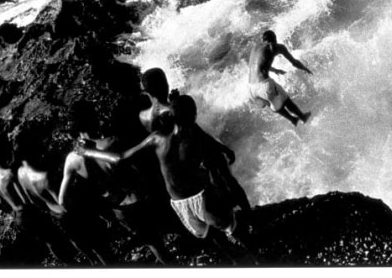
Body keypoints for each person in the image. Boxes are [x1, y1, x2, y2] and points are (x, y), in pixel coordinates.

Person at [78, 95, 253, 262]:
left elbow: (119, 157)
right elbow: (210, 153)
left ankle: (235, 258)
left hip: (179, 202)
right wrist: (224, 150)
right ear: (193, 115)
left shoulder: (157, 138)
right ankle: (255, 257)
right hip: (201, 196)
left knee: (212, 235)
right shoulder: (194, 135)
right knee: (232, 230)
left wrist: (88, 151)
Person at [58, 101, 171, 264]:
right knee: (165, 232)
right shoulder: (112, 142)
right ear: (93, 119)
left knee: (154, 243)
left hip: (121, 209)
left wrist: (100, 211)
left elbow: (62, 201)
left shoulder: (72, 159)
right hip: (142, 198)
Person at [140, 69, 253, 221]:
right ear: (165, 85)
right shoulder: (171, 110)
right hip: (189, 153)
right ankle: (248, 213)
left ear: (147, 91)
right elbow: (193, 129)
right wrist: (223, 147)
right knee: (224, 174)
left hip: (171, 167)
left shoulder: (143, 116)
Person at [15, 126, 112, 266]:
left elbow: (33, 200)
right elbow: (64, 202)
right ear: (32, 149)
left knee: (78, 242)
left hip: (55, 215)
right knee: (99, 247)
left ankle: (93, 262)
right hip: (71, 213)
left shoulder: (21, 173)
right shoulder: (46, 175)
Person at [0, 124, 78, 265]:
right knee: (55, 238)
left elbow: (0, 202)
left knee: (49, 242)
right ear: (0, 150)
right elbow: (28, 199)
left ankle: (67, 264)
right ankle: (72, 263)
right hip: (28, 213)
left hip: (17, 216)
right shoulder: (10, 174)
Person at [247, 30, 313, 126]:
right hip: (264, 85)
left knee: (271, 103)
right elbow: (294, 62)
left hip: (251, 90)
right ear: (274, 39)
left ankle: (292, 119)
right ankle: (303, 117)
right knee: (285, 99)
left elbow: (258, 65)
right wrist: (305, 68)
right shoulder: (274, 46)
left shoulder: (255, 48)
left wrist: (275, 70)